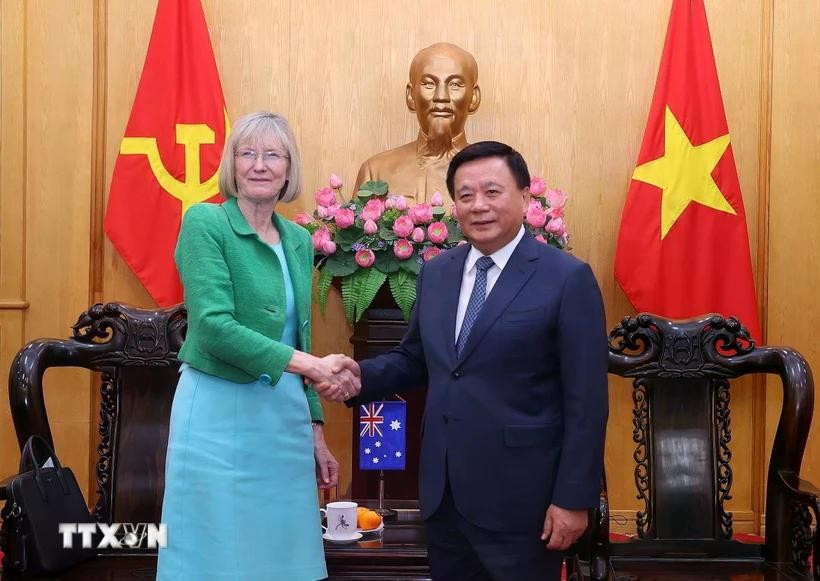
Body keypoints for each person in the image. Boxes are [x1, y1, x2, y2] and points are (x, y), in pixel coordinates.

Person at [335, 141, 609, 580]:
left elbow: (587, 402)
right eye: (465, 195)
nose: (478, 206)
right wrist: (356, 377)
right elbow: (418, 358)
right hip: (445, 499)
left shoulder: (566, 278)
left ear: (524, 196)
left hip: (526, 503)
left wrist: (574, 499)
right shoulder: (438, 272)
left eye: (492, 192)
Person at [157, 111, 356, 580]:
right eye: (247, 153)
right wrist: (314, 366)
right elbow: (212, 326)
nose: (259, 164)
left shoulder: (300, 240)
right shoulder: (205, 222)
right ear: (232, 164)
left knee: (285, 553)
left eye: (273, 154)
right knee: (212, 550)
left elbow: (297, 337)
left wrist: (316, 432)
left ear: (289, 168)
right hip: (215, 415)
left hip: (283, 419)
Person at [354, 42, 481, 203]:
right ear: (410, 95)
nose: (441, 96)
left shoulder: (498, 174)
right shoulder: (376, 172)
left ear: (474, 97)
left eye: (455, 84)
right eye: (429, 84)